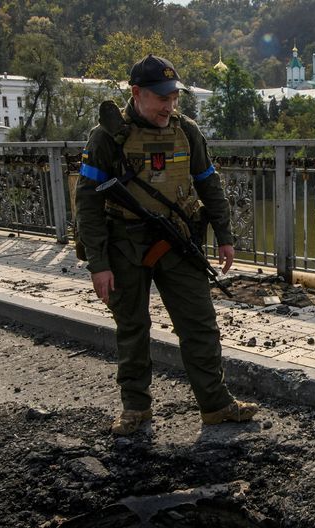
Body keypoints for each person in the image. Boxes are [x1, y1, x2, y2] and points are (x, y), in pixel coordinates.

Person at [75, 54, 258, 436]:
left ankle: (216, 405)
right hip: (124, 245)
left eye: (174, 97)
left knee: (200, 324)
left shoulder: (186, 130)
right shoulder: (106, 137)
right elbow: (88, 204)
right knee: (132, 327)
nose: (169, 105)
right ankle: (136, 408)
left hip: (177, 241)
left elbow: (209, 183)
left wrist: (224, 236)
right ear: (136, 93)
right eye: (162, 98)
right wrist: (98, 264)